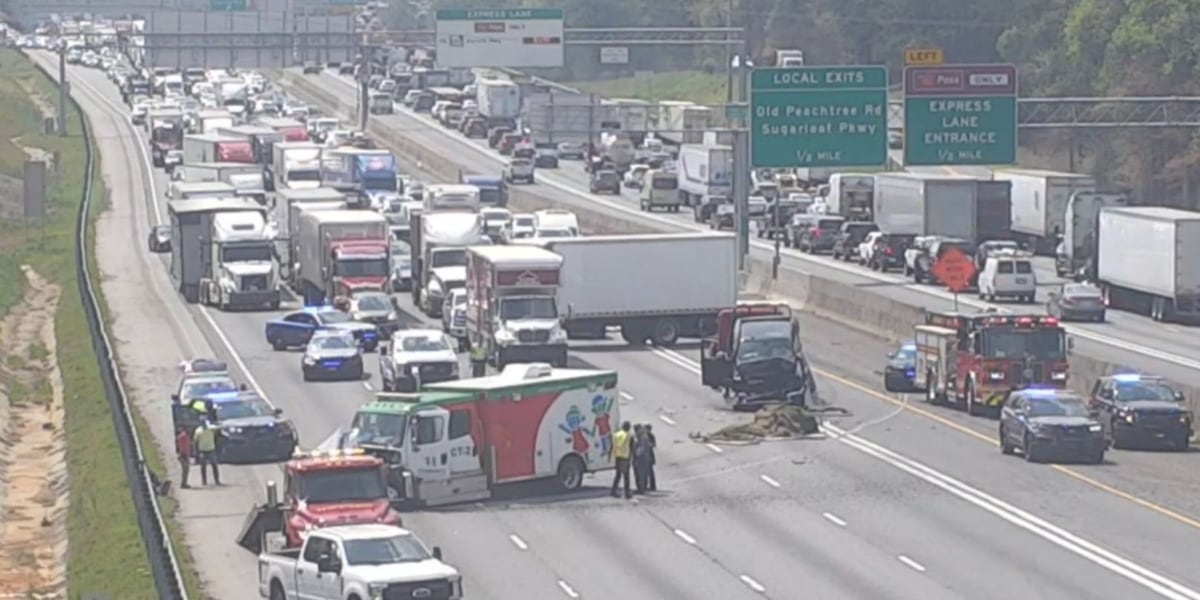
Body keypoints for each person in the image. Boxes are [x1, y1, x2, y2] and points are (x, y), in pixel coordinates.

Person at [193, 419, 221, 486]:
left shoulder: (211, 428)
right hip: (203, 450)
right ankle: (204, 481)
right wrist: (196, 451)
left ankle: (217, 480)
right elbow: (195, 441)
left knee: (214, 465)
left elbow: (218, 428)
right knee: (203, 466)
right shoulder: (198, 431)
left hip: (211, 449)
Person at [610, 421, 633, 499]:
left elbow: (612, 445)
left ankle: (613, 490)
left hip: (617, 457)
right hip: (625, 457)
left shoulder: (616, 435)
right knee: (626, 476)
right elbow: (631, 447)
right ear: (628, 428)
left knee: (618, 475)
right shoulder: (628, 436)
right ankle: (627, 492)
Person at [633, 424, 652, 494]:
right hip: (642, 458)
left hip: (641, 458)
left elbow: (642, 449)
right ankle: (641, 488)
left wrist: (637, 455)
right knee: (640, 474)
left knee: (641, 474)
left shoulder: (643, 437)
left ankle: (641, 489)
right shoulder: (640, 437)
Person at [644, 424, 657, 492]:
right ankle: (645, 485)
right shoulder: (643, 435)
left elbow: (654, 445)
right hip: (644, 455)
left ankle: (653, 486)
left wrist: (648, 444)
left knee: (650, 471)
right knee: (644, 472)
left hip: (649, 455)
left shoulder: (651, 436)